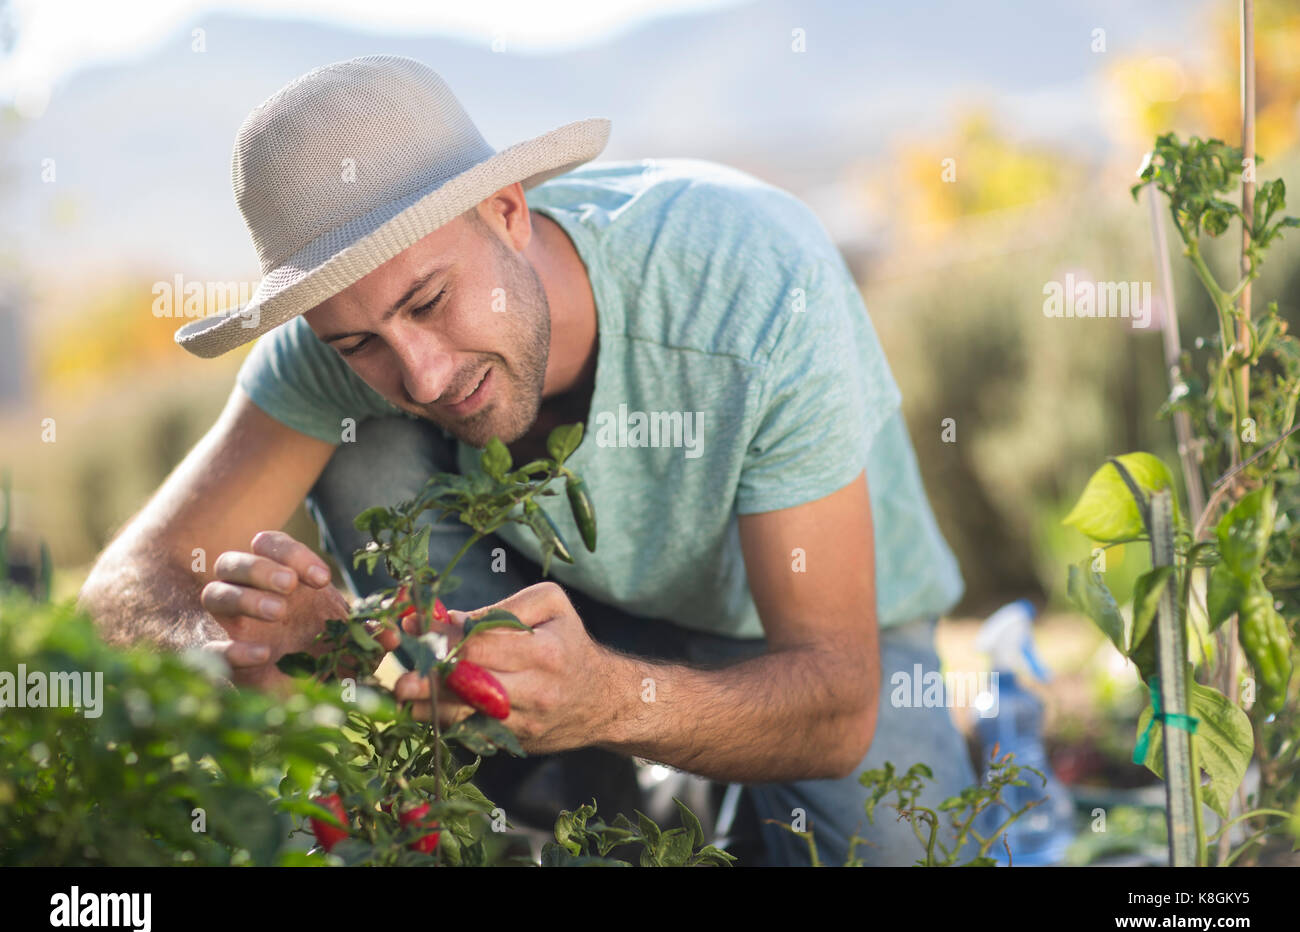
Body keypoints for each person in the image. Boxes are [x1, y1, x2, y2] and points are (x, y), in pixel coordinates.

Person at [79, 54, 974, 866]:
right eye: (358, 342)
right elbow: (125, 584)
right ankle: (556, 797)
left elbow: (837, 701)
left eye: (430, 300)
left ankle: (661, 779)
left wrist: (613, 703)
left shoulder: (752, 279)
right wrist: (289, 638)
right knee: (366, 437)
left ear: (508, 211)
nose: (419, 374)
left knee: (901, 850)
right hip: (543, 632)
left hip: (802, 646)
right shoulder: (336, 348)